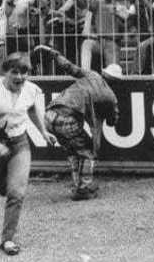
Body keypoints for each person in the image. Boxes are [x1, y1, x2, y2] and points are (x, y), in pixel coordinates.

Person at [0, 53, 56, 255]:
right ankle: (2, 185)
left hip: (19, 144)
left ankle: (7, 239)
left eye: (24, 72)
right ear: (5, 72)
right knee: (1, 187)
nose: (20, 77)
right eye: (15, 72)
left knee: (16, 192)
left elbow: (32, 109)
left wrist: (42, 131)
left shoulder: (31, 90)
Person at [33, 45, 120, 200]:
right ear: (116, 82)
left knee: (73, 151)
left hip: (50, 114)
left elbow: (68, 67)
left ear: (104, 73)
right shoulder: (110, 97)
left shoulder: (92, 75)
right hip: (67, 118)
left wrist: (53, 52)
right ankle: (84, 187)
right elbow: (113, 121)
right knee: (87, 152)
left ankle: (78, 185)